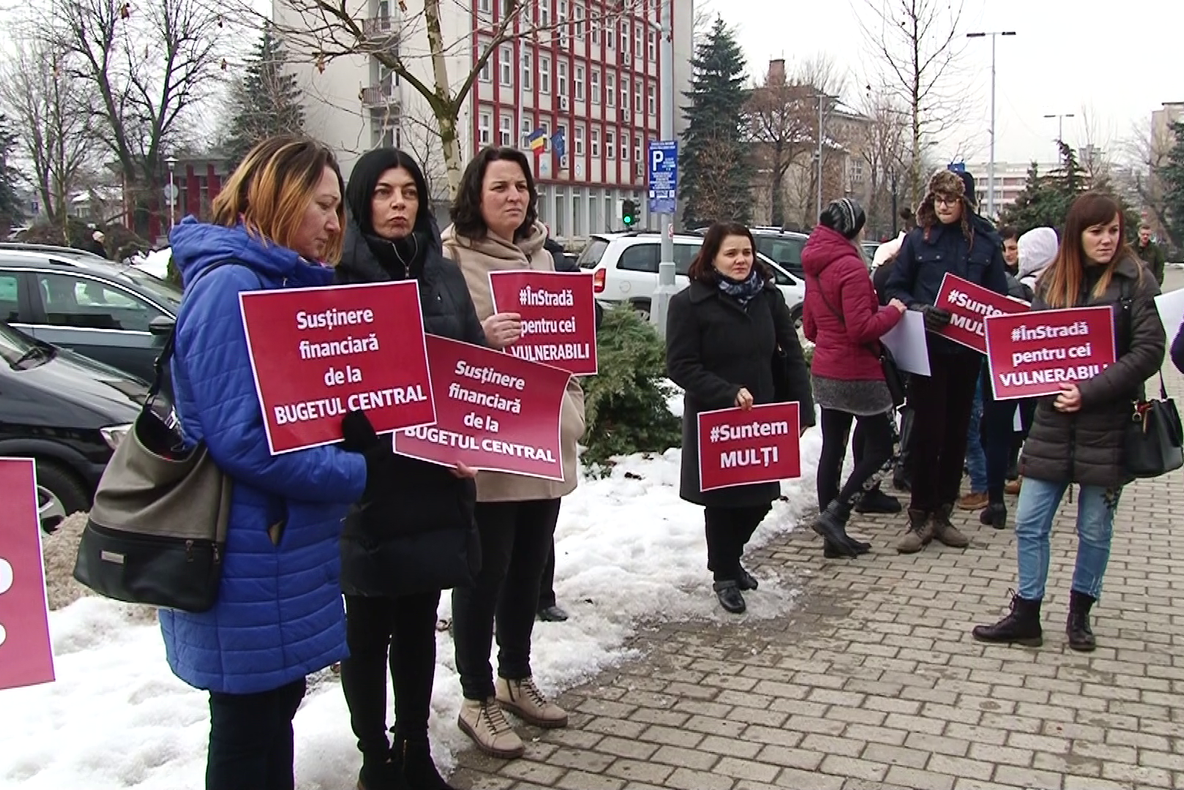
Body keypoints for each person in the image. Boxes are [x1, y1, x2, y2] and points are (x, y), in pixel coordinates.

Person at [159, 136, 371, 790]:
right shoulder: (231, 288)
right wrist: (355, 471)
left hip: (275, 557)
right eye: (323, 205)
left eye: (339, 209)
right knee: (248, 734)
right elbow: (243, 440)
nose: (336, 224)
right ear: (278, 196)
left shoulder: (275, 283)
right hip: (243, 558)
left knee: (271, 715)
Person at [334, 148, 487, 790]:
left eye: (410, 193)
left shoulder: (444, 274)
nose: (399, 204)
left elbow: (474, 365)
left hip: (436, 480)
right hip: (369, 484)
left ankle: (415, 749)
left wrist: (476, 443)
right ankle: (374, 757)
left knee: (419, 628)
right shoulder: (336, 278)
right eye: (383, 193)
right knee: (368, 631)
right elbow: (327, 387)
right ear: (361, 202)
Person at [972, 192, 1165, 651]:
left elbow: (1149, 352)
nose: (1106, 240)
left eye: (1113, 231)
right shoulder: (1053, 282)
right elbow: (1034, 347)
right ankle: (1026, 613)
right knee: (1031, 520)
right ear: (1077, 234)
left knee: (1095, 527)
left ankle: (1080, 614)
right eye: (1097, 231)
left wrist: (1091, 390)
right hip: (1054, 424)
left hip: (1108, 425)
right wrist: (1035, 380)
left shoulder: (1136, 281)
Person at [443, 146, 586, 759]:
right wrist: (481, 337)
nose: (514, 196)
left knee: (529, 572)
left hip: (547, 444)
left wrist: (573, 410)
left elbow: (569, 342)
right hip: (493, 450)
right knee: (483, 575)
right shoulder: (450, 260)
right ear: (476, 194)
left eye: (521, 187)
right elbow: (433, 347)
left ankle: (515, 677)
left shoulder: (546, 258)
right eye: (500, 186)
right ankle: (476, 697)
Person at [666, 222, 814, 612]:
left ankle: (730, 559)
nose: (740, 260)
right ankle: (725, 575)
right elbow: (680, 366)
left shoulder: (769, 297)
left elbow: (791, 353)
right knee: (723, 503)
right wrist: (726, 392)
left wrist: (802, 407)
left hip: (763, 416)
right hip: (715, 418)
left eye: (746, 252)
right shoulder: (688, 304)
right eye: (731, 253)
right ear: (712, 257)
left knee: (760, 499)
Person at [885, 168, 1008, 554]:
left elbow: (997, 298)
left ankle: (943, 512)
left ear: (966, 202)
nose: (943, 205)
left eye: (951, 199)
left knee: (957, 435)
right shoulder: (918, 241)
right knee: (926, 434)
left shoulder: (985, 242)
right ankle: (919, 516)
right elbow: (895, 286)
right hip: (928, 351)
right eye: (937, 198)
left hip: (966, 354)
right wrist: (920, 309)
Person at [802, 199, 906, 558]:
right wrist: (893, 313)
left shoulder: (814, 264)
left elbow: (812, 327)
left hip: (826, 369)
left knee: (833, 448)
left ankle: (833, 536)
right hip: (858, 372)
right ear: (853, 229)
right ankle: (838, 514)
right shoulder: (850, 265)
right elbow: (862, 328)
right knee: (883, 448)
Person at [536, 234, 602, 624]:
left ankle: (542, 595)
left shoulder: (557, 262)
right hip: (499, 406)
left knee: (544, 507)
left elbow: (593, 318)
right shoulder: (461, 256)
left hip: (546, 405)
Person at [976, 227, 1058, 527]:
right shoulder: (1061, 286)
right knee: (1036, 430)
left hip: (1003, 370)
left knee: (997, 434)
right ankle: (1035, 493)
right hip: (1040, 372)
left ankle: (996, 502)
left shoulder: (1009, 284)